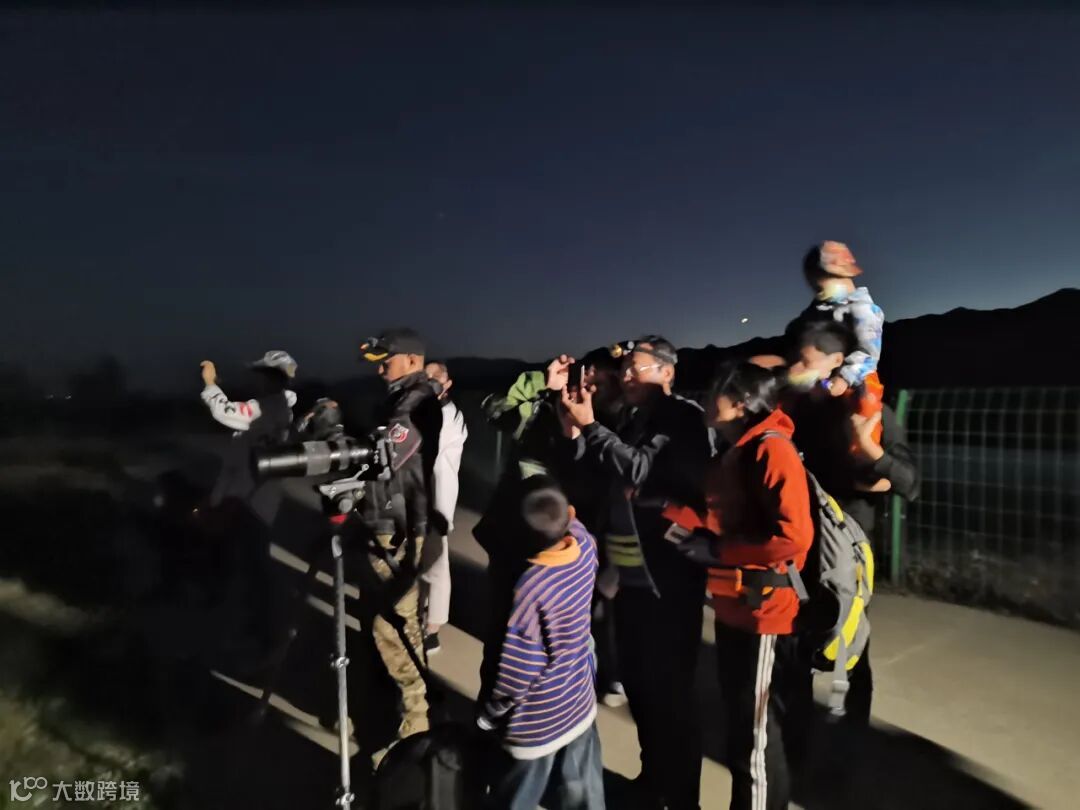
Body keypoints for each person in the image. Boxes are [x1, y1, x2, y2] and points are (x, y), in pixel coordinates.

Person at [560, 336, 709, 810]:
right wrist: (577, 424)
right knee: (641, 685)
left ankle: (681, 797)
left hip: (669, 578)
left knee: (671, 692)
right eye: (623, 368)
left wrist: (592, 429)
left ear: (667, 372)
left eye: (636, 368)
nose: (626, 375)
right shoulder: (630, 417)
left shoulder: (681, 417)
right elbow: (608, 474)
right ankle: (653, 781)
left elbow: (640, 468)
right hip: (630, 576)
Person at [665, 361, 814, 810]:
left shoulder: (771, 450)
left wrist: (718, 551)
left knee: (754, 741)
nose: (707, 396)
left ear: (743, 402)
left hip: (765, 613)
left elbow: (794, 537)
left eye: (717, 389)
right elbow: (724, 518)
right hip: (736, 608)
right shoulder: (737, 452)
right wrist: (665, 511)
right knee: (742, 731)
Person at [786, 320, 920, 726]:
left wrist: (868, 448)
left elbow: (910, 482)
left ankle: (853, 725)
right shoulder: (798, 412)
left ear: (837, 362)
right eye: (795, 361)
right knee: (795, 638)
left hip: (848, 544)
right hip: (800, 540)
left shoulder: (870, 411)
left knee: (851, 633)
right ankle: (796, 725)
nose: (797, 370)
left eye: (806, 361)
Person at [475, 349, 626, 708]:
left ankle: (570, 704)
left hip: (573, 556)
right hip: (514, 545)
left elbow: (609, 487)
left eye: (603, 382)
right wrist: (541, 382)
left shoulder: (609, 434)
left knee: (571, 635)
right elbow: (494, 409)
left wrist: (580, 431)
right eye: (587, 376)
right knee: (505, 633)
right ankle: (494, 711)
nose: (589, 386)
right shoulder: (540, 412)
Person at [478, 475, 605, 810]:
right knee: (583, 793)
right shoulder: (585, 546)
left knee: (517, 796)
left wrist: (492, 712)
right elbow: (572, 522)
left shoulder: (530, 589)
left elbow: (520, 669)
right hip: (578, 700)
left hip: (536, 723)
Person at [349, 328, 444, 750]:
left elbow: (385, 455)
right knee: (377, 618)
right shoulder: (398, 399)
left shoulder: (417, 401)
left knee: (394, 627)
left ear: (411, 360)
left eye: (386, 361)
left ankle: (415, 726)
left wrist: (352, 444)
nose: (380, 369)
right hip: (383, 521)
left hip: (401, 527)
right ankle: (384, 710)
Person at [197, 350, 298, 662]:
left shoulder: (268, 406)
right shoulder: (277, 407)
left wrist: (210, 385)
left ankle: (267, 638)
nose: (255, 380)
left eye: (260, 374)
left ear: (272, 378)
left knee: (254, 573)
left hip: (252, 502)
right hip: (252, 499)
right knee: (249, 568)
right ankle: (259, 632)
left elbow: (226, 412)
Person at [786, 240, 886, 458]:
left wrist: (844, 378)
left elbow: (869, 352)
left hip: (855, 377)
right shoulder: (818, 310)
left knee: (866, 402)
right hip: (822, 374)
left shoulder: (862, 310)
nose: (819, 291)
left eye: (823, 283)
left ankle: (864, 454)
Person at [420, 361, 469, 655]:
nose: (427, 382)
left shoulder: (447, 415)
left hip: (437, 501)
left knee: (436, 566)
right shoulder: (432, 412)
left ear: (447, 383)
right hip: (427, 497)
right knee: (424, 563)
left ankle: (433, 630)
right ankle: (422, 617)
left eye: (433, 378)